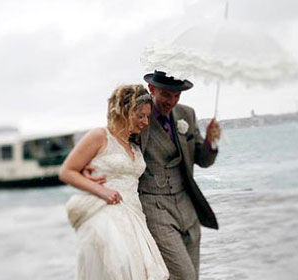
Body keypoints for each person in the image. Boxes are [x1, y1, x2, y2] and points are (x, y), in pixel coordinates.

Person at [84, 70, 221, 280]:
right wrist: (92, 171)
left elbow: (203, 160)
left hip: (188, 206)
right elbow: (115, 146)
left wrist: (211, 142)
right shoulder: (138, 118)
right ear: (152, 89)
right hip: (154, 206)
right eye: (166, 94)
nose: (172, 101)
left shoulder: (187, 115)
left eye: (177, 95)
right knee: (184, 276)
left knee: (192, 275)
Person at [59, 84, 169, 280]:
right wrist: (101, 191)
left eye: (147, 116)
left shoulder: (134, 146)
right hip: (106, 212)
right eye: (140, 115)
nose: (145, 122)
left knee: (140, 271)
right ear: (124, 111)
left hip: (134, 214)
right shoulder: (99, 136)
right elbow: (67, 171)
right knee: (120, 267)